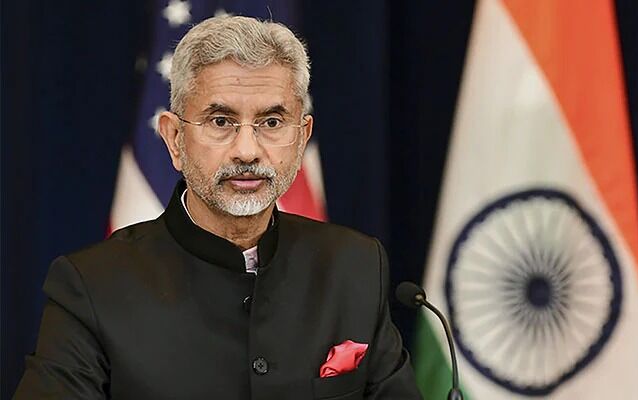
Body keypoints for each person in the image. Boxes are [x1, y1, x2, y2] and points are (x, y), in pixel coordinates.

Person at [15, 15, 422, 399]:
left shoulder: (354, 267)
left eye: (272, 122)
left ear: (302, 138)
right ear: (174, 139)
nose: (247, 150)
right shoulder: (91, 287)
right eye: (221, 121)